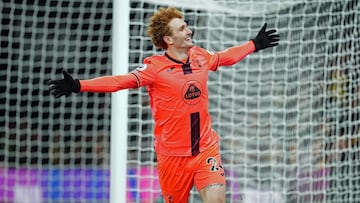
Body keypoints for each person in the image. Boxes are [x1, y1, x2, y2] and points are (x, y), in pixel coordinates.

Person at [48, 7, 279, 203]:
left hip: (205, 148)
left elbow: (224, 57)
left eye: (187, 26)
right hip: (172, 157)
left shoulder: (200, 55)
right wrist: (79, 85)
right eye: (182, 29)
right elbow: (120, 81)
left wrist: (253, 44)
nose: (189, 31)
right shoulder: (154, 68)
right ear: (168, 40)